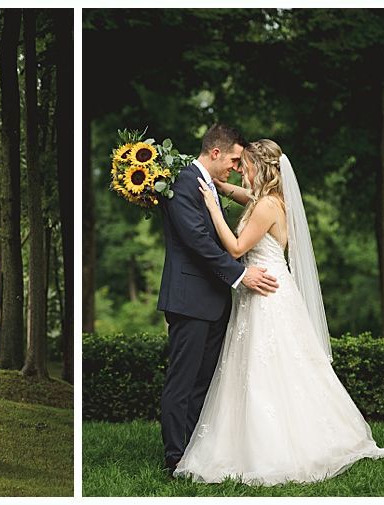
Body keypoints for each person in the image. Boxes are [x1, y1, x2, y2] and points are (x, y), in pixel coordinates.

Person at [173, 139, 384, 485]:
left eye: (246, 164)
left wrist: (213, 206)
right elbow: (244, 196)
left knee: (269, 367)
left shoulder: (266, 205)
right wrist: (220, 186)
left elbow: (235, 248)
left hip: (267, 293)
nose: (241, 170)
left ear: (260, 167)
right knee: (275, 365)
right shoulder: (268, 200)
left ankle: (280, 445)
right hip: (265, 289)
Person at [156, 124, 281, 477]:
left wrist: (225, 190)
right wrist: (241, 274)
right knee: (183, 380)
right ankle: (175, 457)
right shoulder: (183, 182)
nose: (236, 168)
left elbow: (247, 201)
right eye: (234, 160)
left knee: (204, 381)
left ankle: (195, 448)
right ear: (215, 153)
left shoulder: (208, 184)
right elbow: (197, 239)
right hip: (189, 299)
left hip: (213, 299)